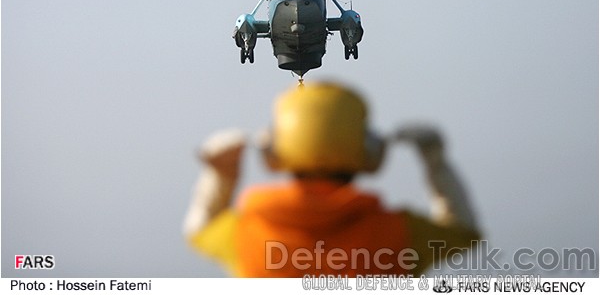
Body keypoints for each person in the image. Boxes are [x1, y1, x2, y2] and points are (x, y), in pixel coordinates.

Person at [183, 81, 481, 277]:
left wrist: (220, 175)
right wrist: (436, 163)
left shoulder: (245, 234)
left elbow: (199, 230)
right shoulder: (398, 235)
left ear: (274, 151)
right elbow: (464, 233)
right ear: (370, 152)